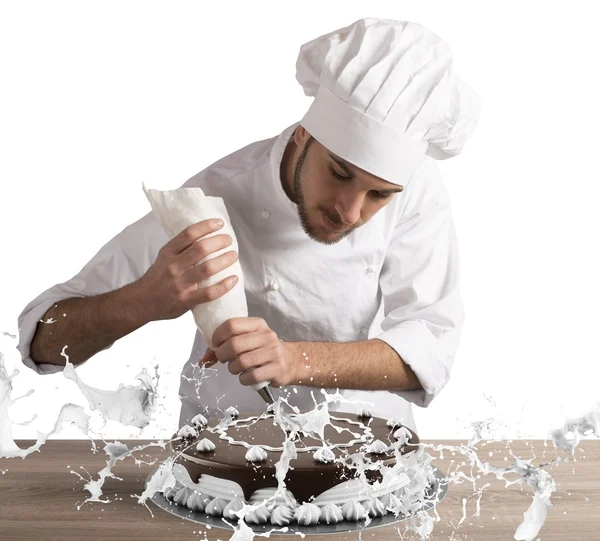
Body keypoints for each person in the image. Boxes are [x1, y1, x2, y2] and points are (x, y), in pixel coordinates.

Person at [16, 18, 480, 434]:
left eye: (378, 194)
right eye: (339, 174)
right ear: (304, 134)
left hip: (369, 452)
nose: (351, 212)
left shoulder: (415, 191)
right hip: (222, 457)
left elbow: (431, 348)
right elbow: (42, 340)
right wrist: (146, 299)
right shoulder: (218, 197)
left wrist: (293, 360)